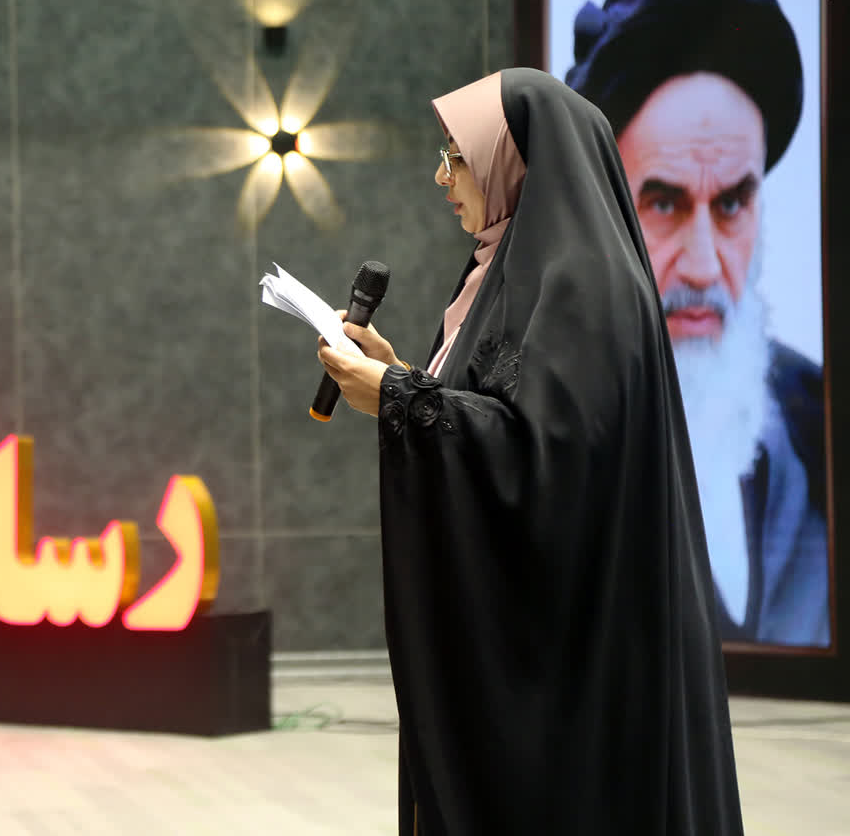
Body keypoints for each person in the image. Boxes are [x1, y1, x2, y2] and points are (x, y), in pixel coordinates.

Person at [317, 68, 744, 835]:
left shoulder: (585, 283)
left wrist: (399, 399)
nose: (441, 176)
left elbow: (553, 467)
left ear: (513, 160)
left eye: (457, 155)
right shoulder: (505, 269)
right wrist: (403, 374)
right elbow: (497, 412)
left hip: (581, 667)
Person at [563, 0, 828, 647]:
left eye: (732, 204)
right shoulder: (548, 421)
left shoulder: (817, 420)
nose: (705, 267)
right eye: (664, 203)